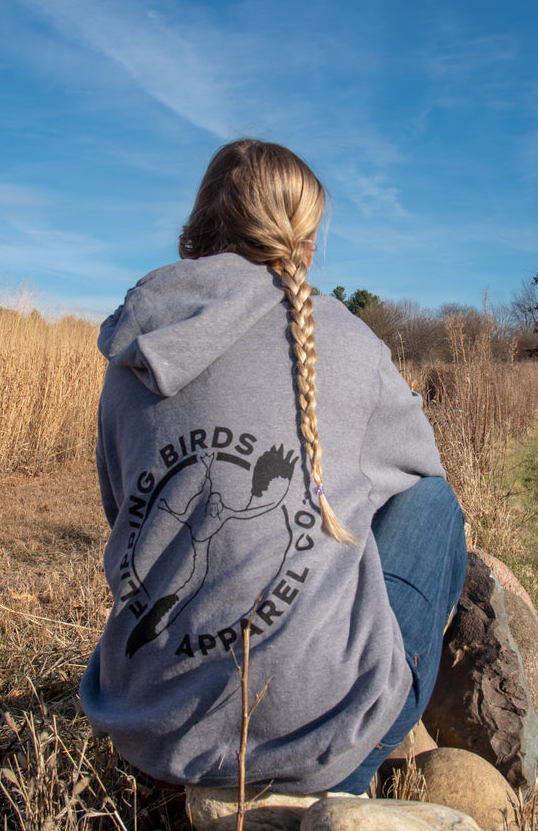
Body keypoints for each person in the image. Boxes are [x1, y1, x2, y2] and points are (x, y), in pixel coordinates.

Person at [78, 139, 468, 796]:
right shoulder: (341, 338)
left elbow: (126, 518)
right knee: (431, 505)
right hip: (311, 740)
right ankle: (327, 779)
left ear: (198, 225)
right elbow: (418, 466)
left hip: (152, 729)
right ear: (304, 241)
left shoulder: (128, 352)